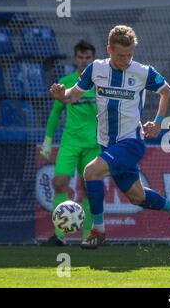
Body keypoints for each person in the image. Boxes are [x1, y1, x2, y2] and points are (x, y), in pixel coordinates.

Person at [50, 25, 170, 249]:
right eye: (120, 55)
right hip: (107, 145)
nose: (125, 60)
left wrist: (158, 123)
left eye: (129, 55)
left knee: (90, 173)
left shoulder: (142, 71)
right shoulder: (96, 70)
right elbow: (72, 96)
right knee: (137, 197)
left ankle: (99, 230)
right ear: (109, 50)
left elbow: (167, 91)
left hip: (131, 142)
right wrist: (60, 95)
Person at [40, 40, 98, 246]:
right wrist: (47, 140)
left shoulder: (99, 84)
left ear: (93, 59)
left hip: (93, 145)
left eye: (88, 57)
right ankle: (60, 236)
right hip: (70, 143)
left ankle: (88, 238)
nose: (84, 61)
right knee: (59, 183)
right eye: (81, 57)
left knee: (89, 189)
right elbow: (56, 114)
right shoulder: (66, 82)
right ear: (76, 59)